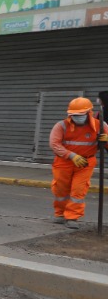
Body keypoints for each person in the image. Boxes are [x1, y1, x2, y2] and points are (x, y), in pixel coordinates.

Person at [48, 96, 107, 228]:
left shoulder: (100, 126)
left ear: (89, 113)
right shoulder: (61, 126)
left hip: (85, 163)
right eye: (73, 115)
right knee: (60, 190)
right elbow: (54, 144)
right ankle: (60, 214)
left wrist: (106, 140)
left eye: (80, 115)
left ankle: (72, 217)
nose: (76, 117)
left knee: (78, 191)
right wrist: (71, 156)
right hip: (63, 162)